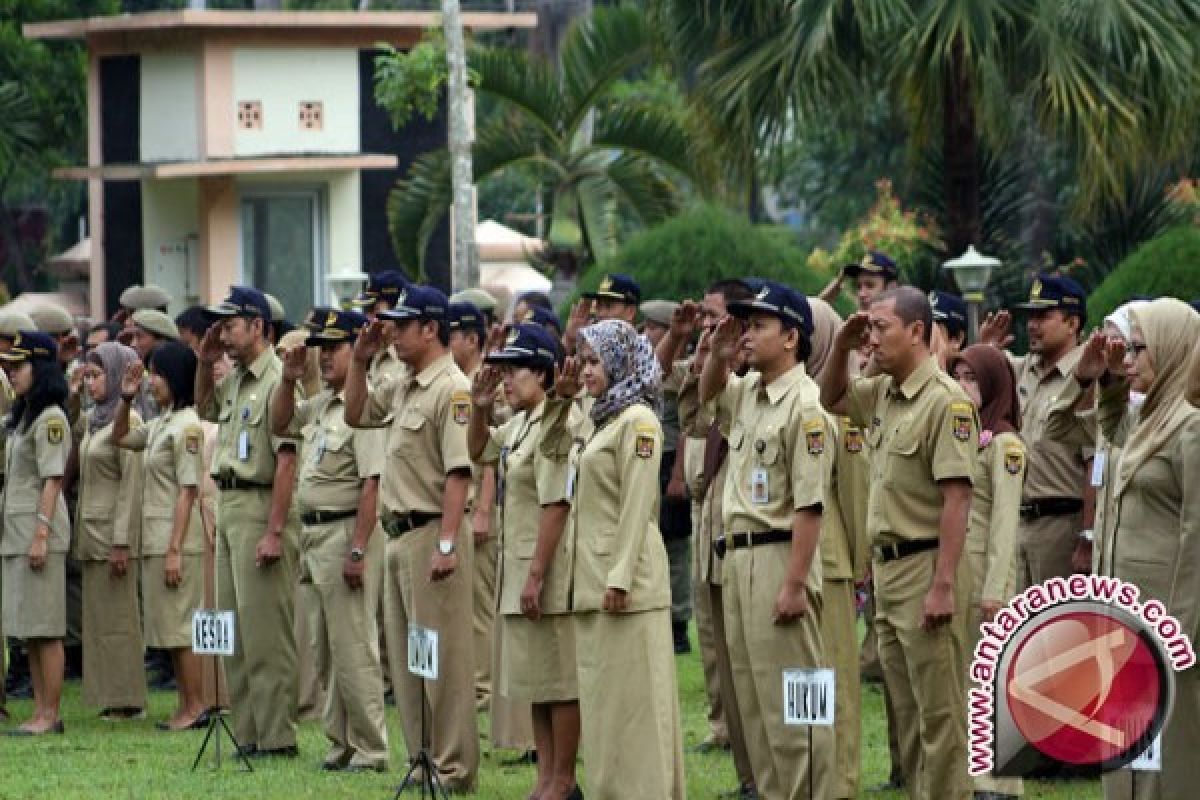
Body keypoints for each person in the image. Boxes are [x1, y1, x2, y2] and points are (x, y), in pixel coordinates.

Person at [821, 287, 977, 800]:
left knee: (940, 715)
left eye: (881, 327)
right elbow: (831, 398)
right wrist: (843, 346)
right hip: (888, 574)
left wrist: (944, 585)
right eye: (869, 327)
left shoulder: (945, 401)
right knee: (905, 715)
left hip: (927, 564)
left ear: (916, 332)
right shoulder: (884, 392)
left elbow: (957, 501)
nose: (873, 337)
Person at [699, 280, 835, 799]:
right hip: (738, 559)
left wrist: (795, 583)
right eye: (745, 325)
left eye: (758, 326)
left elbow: (810, 505)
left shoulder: (805, 406)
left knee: (797, 699)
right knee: (754, 702)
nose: (746, 336)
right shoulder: (751, 393)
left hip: (780, 556)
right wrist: (717, 351)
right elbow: (710, 396)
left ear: (792, 338)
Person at [343, 285, 480, 792]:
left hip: (430, 535)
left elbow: (458, 474)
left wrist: (446, 544)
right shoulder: (404, 383)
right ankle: (422, 759)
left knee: (443, 660)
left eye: (402, 325)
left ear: (430, 329)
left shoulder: (452, 388)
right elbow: (356, 414)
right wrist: (360, 361)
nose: (392, 333)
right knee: (409, 661)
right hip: (398, 535)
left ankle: (454, 768)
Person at [1075, 298, 1200, 800]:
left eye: (1139, 349)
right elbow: (1110, 430)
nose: (1129, 359)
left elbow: (1197, 536)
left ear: (1172, 351)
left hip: (1166, 623)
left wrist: (1182, 632)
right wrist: (1104, 380)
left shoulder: (1190, 427)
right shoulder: (1149, 417)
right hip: (1124, 619)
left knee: (1166, 766)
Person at [567, 319, 685, 799]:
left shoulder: (638, 421)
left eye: (595, 361)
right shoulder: (604, 418)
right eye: (586, 361)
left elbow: (638, 506)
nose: (587, 370)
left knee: (638, 704)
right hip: (593, 577)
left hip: (627, 583)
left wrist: (619, 578)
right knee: (607, 703)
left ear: (619, 363)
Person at [271, 308, 389, 773]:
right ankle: (340, 741)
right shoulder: (321, 406)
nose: (324, 358)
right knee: (323, 647)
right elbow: (280, 423)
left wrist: (358, 548)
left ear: (356, 349)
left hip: (345, 531)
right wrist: (287, 379)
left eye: (335, 348)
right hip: (314, 534)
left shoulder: (363, 408)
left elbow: (372, 486)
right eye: (322, 349)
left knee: (354, 646)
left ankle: (372, 747)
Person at [468, 323, 582, 800]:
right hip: (518, 564)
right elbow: (478, 449)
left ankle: (564, 778)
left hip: (546, 566)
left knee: (559, 678)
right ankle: (544, 776)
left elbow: (556, 503)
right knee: (536, 678)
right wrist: (478, 409)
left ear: (544, 374)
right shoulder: (519, 424)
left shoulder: (560, 422)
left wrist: (536, 575)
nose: (506, 381)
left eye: (514, 371)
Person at [195, 286, 300, 758]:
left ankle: (277, 736)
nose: (225, 335)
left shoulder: (279, 378)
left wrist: (275, 530)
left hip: (261, 505)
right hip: (231, 503)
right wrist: (204, 358)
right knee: (234, 630)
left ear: (258, 326)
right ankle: (250, 732)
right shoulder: (236, 378)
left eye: (231, 325)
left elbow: (286, 461)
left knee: (265, 634)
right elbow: (204, 409)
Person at [113, 342, 211, 731]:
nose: (152, 382)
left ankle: (197, 705)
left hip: (176, 540)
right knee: (167, 629)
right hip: (155, 537)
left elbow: (189, 490)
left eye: (159, 375)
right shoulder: (160, 423)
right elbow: (121, 437)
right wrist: (126, 399)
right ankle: (185, 705)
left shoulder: (187, 424)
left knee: (181, 628)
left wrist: (174, 550)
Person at [979, 272, 1095, 588]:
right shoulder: (1021, 370)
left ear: (1073, 324)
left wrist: (1088, 534)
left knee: (1062, 631)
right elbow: (979, 386)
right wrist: (984, 350)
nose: (1032, 324)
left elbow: (1095, 464)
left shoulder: (1086, 377)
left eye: (1043, 316)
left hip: (1062, 526)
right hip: (1018, 523)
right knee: (1019, 632)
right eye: (1030, 315)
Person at [947, 344, 1025, 800]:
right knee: (965, 678)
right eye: (957, 375)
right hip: (962, 572)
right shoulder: (965, 437)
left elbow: (1004, 524)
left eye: (972, 378)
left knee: (992, 681)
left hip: (988, 580)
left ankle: (999, 785)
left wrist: (996, 590)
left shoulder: (1005, 445)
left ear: (994, 384)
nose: (962, 386)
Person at [1, 332, 72, 735]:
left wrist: (41, 534)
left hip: (37, 532)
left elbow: (52, 479)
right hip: (17, 532)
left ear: (41, 368)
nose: (11, 375)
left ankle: (51, 713)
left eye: (18, 367)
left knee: (46, 628)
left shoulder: (51, 419)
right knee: (29, 628)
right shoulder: (25, 417)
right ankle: (40, 710)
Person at [73, 342, 146, 720]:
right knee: (100, 619)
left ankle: (128, 698)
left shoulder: (127, 421)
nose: (90, 383)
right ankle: (107, 695)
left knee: (120, 620)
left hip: (112, 536)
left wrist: (122, 541)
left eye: (97, 375)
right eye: (87, 375)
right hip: (91, 532)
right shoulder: (92, 419)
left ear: (116, 376)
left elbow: (130, 485)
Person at [640, 299, 694, 654]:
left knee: (675, 546)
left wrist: (678, 475)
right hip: (650, 460)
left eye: (654, 328)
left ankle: (678, 622)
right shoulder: (646, 366)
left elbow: (689, 424)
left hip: (672, 459)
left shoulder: (685, 370)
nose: (647, 335)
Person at [819, 250, 900, 311]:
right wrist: (839, 281)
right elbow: (816, 310)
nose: (861, 294)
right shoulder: (855, 327)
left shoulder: (903, 328)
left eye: (870, 286)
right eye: (858, 287)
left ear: (891, 288)